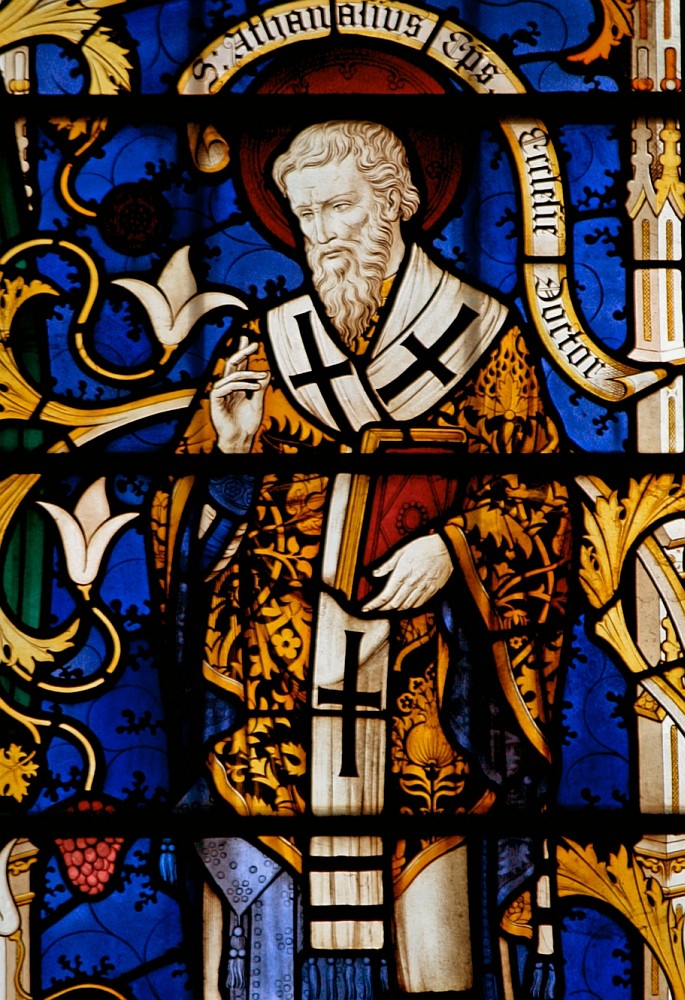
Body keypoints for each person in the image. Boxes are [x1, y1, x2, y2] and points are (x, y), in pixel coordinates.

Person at [171, 120, 571, 999]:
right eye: (305, 215)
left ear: (400, 203)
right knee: (270, 960)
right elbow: (185, 552)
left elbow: (539, 506)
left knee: (438, 962)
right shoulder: (262, 350)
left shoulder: (483, 338)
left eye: (340, 208)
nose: (322, 234)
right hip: (275, 719)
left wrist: (452, 548)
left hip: (428, 721)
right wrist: (230, 462)